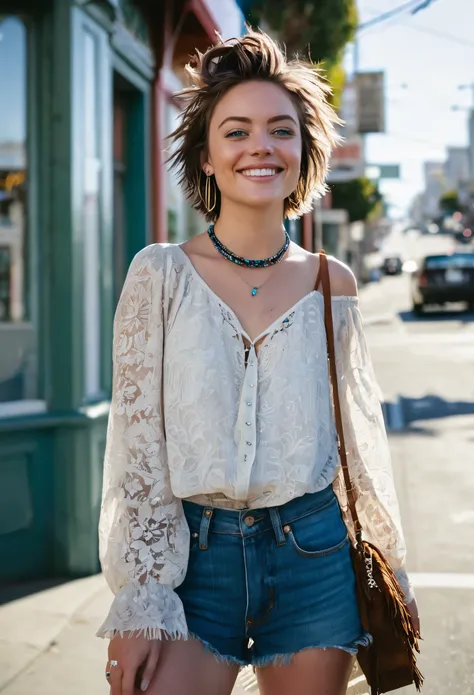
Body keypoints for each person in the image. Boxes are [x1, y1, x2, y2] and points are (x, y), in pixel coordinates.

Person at [97, 30, 420, 695]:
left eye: (280, 130)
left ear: (302, 153)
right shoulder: (159, 275)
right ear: (208, 157)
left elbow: (359, 445)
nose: (260, 146)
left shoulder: (334, 283)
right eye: (236, 131)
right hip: (192, 560)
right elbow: (137, 451)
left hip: (314, 554)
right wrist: (140, 596)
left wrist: (393, 568)